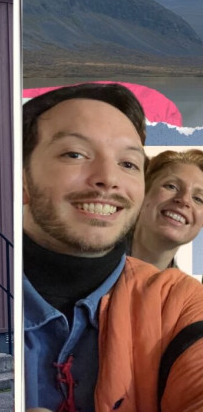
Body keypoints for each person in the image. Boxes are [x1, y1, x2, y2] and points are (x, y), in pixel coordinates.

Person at [23, 82, 203, 412]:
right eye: (75, 154)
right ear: (21, 178)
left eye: (128, 163)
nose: (108, 178)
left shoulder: (178, 304)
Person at [130, 149, 203, 271]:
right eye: (171, 186)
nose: (184, 200)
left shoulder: (184, 289)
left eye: (198, 199)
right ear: (143, 192)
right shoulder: (90, 257)